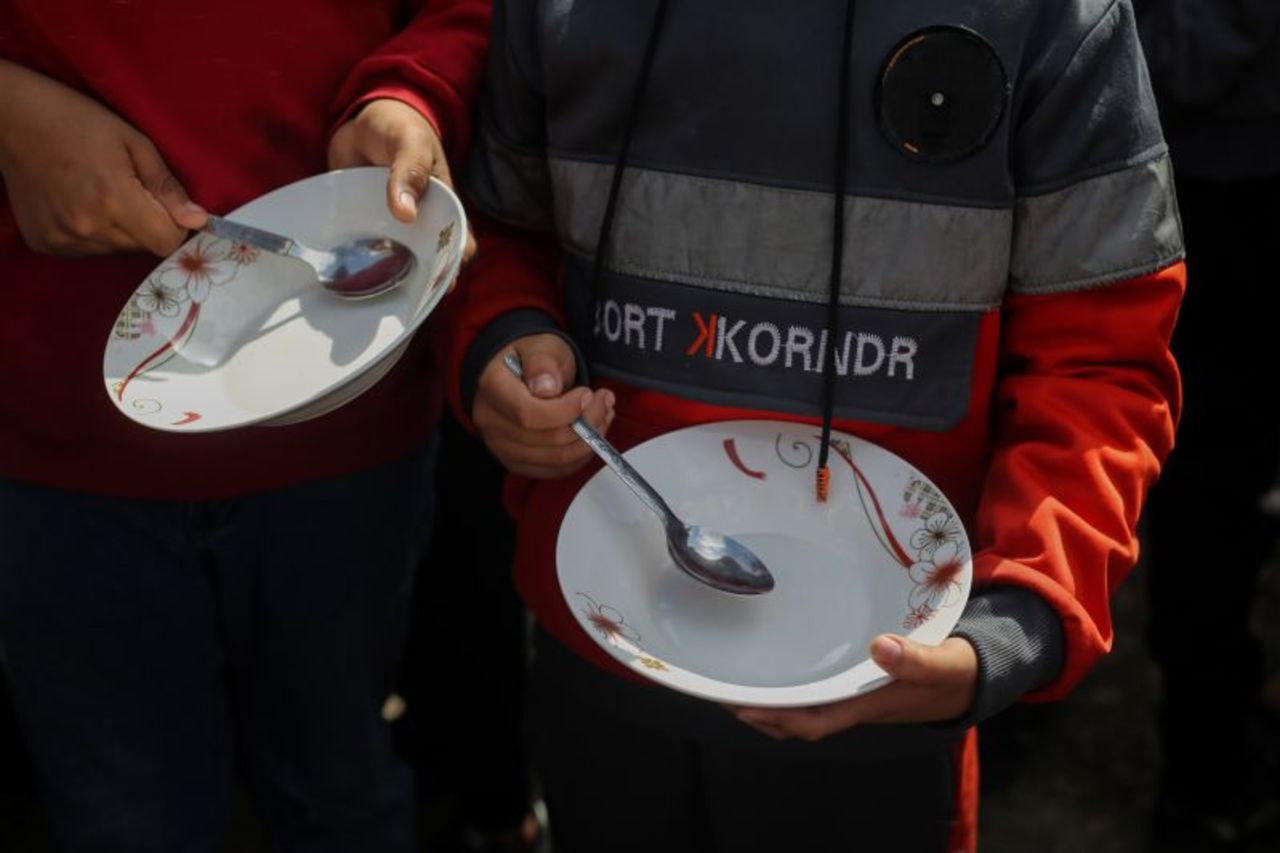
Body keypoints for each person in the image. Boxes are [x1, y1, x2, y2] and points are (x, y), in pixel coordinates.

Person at [443, 1, 1186, 851]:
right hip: (600, 654)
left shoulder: (1049, 17)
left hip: (888, 692)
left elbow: (1099, 357)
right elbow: (500, 226)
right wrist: (504, 340)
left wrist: (1010, 625)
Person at [0, 2, 488, 851]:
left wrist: (410, 91)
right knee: (126, 818)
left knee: (338, 787)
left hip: (344, 409)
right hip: (51, 429)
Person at [1134, 1, 1280, 848]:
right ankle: (1207, 770)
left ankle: (1211, 767)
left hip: (1225, 180)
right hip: (1198, 178)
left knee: (1215, 495)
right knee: (1208, 495)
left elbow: (1194, 53)